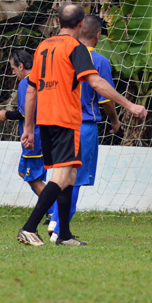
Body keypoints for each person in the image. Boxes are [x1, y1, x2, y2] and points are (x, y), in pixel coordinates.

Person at [17, 3, 147, 247]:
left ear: (58, 23)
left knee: (71, 174)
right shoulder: (76, 48)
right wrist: (130, 105)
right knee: (64, 175)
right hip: (65, 120)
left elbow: (32, 91)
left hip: (45, 121)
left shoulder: (43, 46)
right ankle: (29, 227)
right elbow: (96, 83)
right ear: (80, 25)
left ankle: (64, 234)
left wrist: (27, 128)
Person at [48, 15, 121, 242]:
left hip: (56, 122)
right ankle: (60, 230)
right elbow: (105, 99)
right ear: (98, 35)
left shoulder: (61, 54)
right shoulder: (99, 61)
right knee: (75, 178)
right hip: (83, 125)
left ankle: (53, 220)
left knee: (60, 174)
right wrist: (115, 120)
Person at [0, 50, 52, 223]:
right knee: (24, 173)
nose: (13, 73)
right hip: (43, 135)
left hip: (34, 137)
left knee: (33, 178)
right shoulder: (42, 80)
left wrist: (6, 115)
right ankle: (52, 208)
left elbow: (25, 112)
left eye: (13, 69)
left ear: (21, 66)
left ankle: (54, 209)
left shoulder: (26, 83)